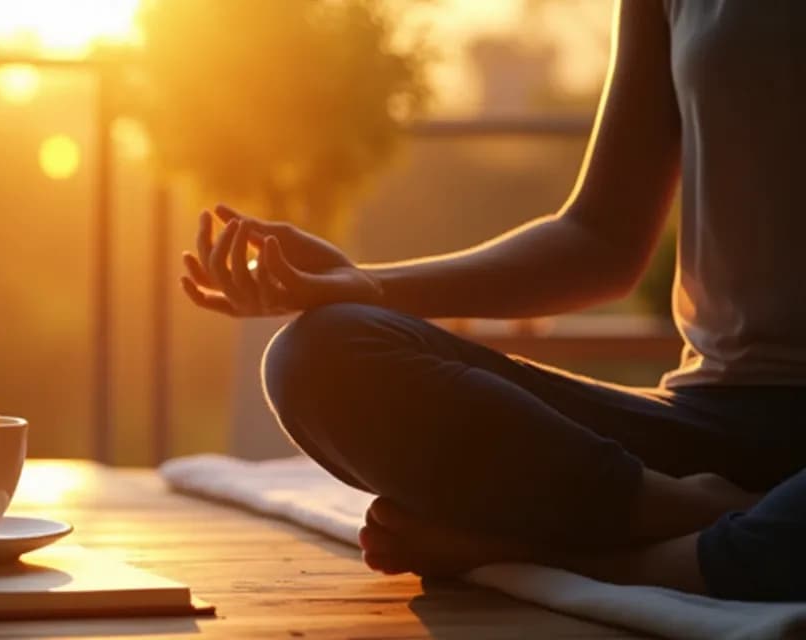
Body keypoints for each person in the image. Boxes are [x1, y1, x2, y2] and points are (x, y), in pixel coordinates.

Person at [180, 0, 806, 602]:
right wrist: (365, 286)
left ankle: (556, 553)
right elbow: (599, 240)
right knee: (319, 358)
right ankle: (714, 513)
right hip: (710, 425)